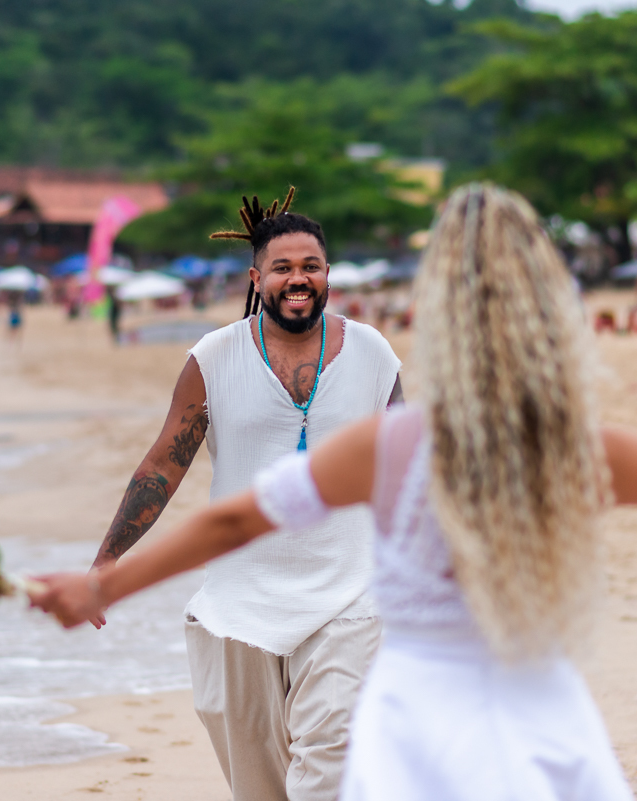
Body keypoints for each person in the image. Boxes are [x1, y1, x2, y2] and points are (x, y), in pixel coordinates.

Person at [30, 184, 637, 801]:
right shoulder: (581, 454)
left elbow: (233, 515)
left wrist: (102, 587)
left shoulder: (391, 444)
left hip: (410, 737)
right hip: (548, 736)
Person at [85, 189, 402, 801]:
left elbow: (407, 463)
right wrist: (107, 560)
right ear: (258, 278)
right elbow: (162, 466)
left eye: (310, 265)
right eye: (282, 268)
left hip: (351, 595)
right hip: (242, 605)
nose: (298, 278)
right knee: (261, 788)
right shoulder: (214, 358)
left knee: (331, 766)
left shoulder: (372, 353)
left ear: (328, 275)